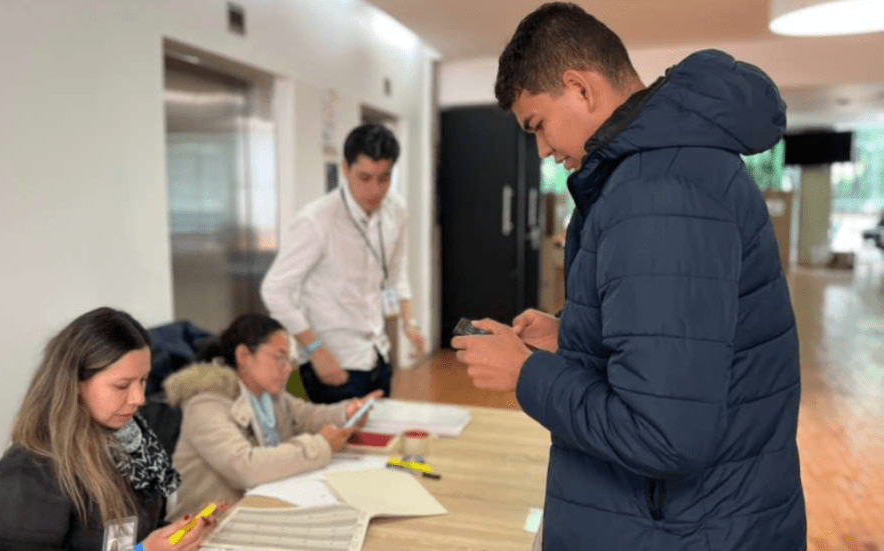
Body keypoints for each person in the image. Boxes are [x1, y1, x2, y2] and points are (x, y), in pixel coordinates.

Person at [451, 4, 806, 551]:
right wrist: (569, 336)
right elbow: (673, 347)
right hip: (693, 520)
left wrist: (526, 374)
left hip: (684, 530)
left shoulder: (656, 191)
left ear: (580, 89)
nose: (542, 150)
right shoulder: (658, 171)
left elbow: (664, 434)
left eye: (538, 124)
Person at [0, 307, 217, 551]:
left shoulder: (134, 447)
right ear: (75, 385)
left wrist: (175, 535)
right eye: (122, 386)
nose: (140, 398)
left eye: (143, 380)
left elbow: (129, 535)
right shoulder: (30, 470)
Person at [261, 123, 425, 403]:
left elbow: (395, 276)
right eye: (365, 177)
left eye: (384, 178)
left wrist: (409, 324)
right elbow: (274, 290)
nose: (375, 190)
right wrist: (317, 350)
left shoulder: (396, 211)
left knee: (378, 443)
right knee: (337, 446)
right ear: (345, 169)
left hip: (378, 356)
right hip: (333, 363)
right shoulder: (317, 220)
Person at [162, 313, 380, 518]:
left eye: (289, 361)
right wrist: (320, 446)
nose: (287, 370)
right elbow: (244, 467)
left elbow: (308, 415)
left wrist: (346, 412)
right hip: (207, 525)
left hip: (258, 508)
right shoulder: (206, 403)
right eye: (279, 358)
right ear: (244, 355)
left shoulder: (268, 395)